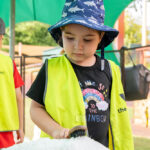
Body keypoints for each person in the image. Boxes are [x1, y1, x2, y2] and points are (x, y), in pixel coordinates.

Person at [27, 0, 134, 149]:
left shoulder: (111, 70)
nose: (78, 46)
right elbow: (35, 109)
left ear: (100, 37)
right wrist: (56, 131)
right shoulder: (50, 69)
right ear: (61, 34)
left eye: (87, 39)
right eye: (70, 38)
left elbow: (118, 115)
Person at [0, 18, 24, 148]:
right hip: (5, 130)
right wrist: (20, 127)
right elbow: (19, 97)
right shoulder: (9, 63)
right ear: (1, 37)